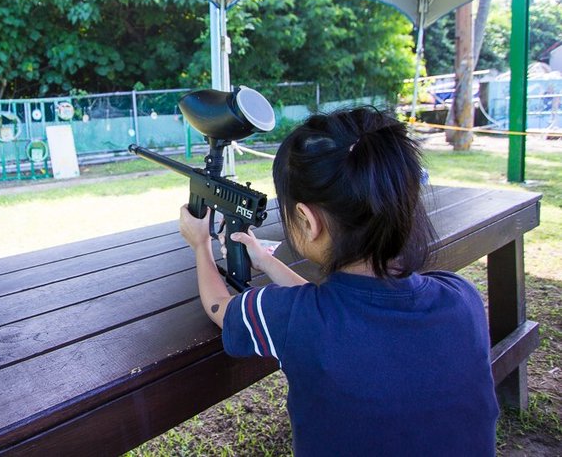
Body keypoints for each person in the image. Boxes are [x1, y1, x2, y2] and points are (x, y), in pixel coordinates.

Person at [179, 107, 499, 456]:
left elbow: (219, 306)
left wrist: (200, 244)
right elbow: (334, 308)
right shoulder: (461, 296)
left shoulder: (293, 318)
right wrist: (266, 260)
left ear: (307, 220)